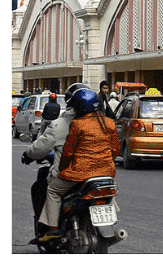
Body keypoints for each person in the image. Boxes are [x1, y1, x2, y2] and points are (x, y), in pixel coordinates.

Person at [33, 86, 120, 243]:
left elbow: (68, 153)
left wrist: (63, 169)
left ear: (79, 108)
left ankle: (53, 230)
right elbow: (115, 150)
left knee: (53, 190)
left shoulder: (77, 124)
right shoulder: (109, 123)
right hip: (106, 172)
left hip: (80, 172)